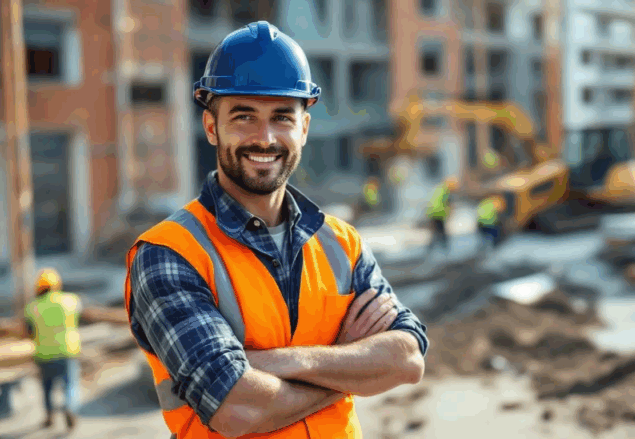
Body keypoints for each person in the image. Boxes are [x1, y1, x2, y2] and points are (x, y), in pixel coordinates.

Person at [124, 21, 428, 439]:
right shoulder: (169, 253)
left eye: (282, 117)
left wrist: (283, 364)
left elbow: (408, 359)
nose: (264, 138)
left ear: (303, 128)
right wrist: (348, 360)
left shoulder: (340, 242)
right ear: (212, 126)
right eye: (244, 116)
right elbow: (237, 409)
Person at [24, 268, 82, 431]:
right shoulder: (70, 300)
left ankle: (49, 416)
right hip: (67, 351)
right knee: (70, 385)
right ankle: (69, 407)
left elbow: (28, 331)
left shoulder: (32, 307)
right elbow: (78, 317)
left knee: (47, 387)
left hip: (44, 354)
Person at [426, 176, 458, 255]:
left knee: (436, 232)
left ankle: (431, 249)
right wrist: (449, 213)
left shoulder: (439, 189)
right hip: (438, 214)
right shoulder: (446, 192)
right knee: (441, 232)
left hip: (433, 213)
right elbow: (448, 204)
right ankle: (445, 250)